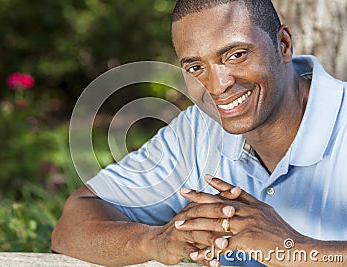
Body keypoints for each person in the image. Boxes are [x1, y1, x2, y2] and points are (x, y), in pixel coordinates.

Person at [51, 0, 347, 266]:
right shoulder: (197, 130)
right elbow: (71, 226)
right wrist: (154, 241)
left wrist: (293, 249)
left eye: (236, 55)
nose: (217, 86)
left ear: (283, 45)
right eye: (195, 67)